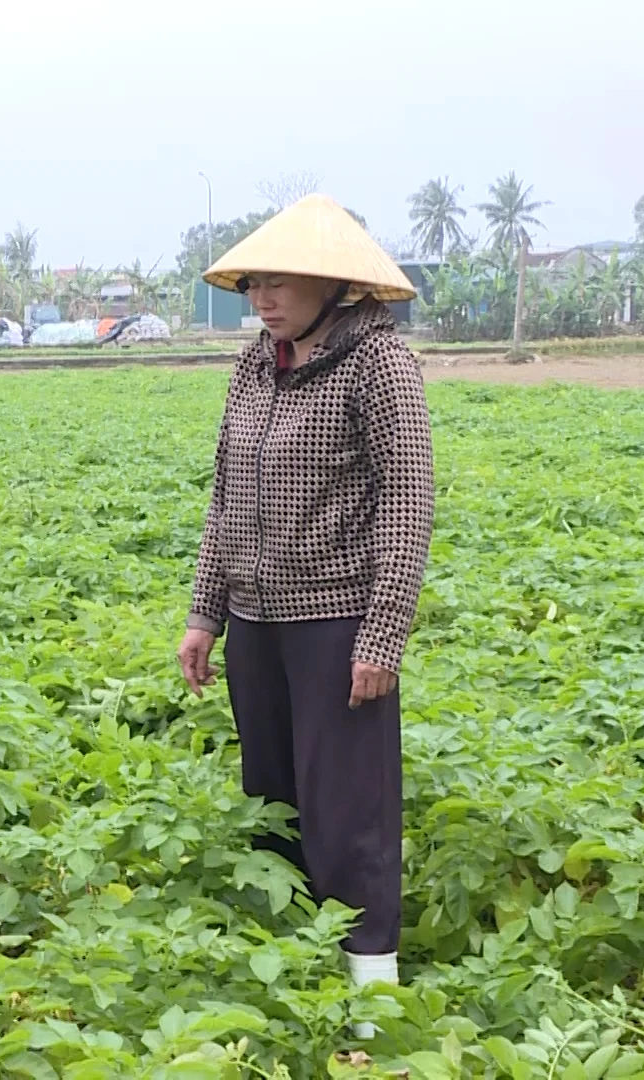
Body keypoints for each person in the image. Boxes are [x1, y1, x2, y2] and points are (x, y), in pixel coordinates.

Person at [175, 194, 435, 1039]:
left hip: (337, 622)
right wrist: (205, 613)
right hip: (256, 622)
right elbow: (226, 495)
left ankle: (371, 1008)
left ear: (330, 283)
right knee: (274, 798)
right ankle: (289, 977)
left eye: (279, 283)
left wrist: (384, 631)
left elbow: (406, 500)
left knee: (346, 808)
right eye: (254, 284)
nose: (263, 299)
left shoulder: (379, 365)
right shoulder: (255, 366)